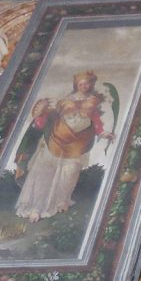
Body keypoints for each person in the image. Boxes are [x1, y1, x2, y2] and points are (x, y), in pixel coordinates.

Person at [14, 70, 114, 221]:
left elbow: (96, 121)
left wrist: (102, 133)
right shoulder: (65, 101)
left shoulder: (92, 102)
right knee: (44, 173)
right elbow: (50, 118)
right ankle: (36, 206)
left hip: (78, 144)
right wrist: (41, 115)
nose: (84, 86)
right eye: (81, 83)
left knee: (69, 173)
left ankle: (60, 201)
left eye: (87, 83)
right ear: (76, 85)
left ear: (91, 85)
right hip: (55, 140)